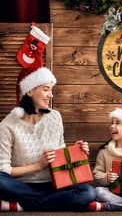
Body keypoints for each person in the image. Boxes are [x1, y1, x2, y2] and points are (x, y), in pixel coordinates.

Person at [0, 66, 96, 211]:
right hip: (20, 186)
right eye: (46, 89)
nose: (50, 95)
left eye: (51, 90)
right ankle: (46, 202)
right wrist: (37, 166)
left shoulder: (55, 117)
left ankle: (22, 206)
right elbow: (4, 169)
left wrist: (75, 151)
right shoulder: (7, 125)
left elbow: (59, 153)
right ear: (30, 90)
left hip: (53, 184)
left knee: (88, 193)